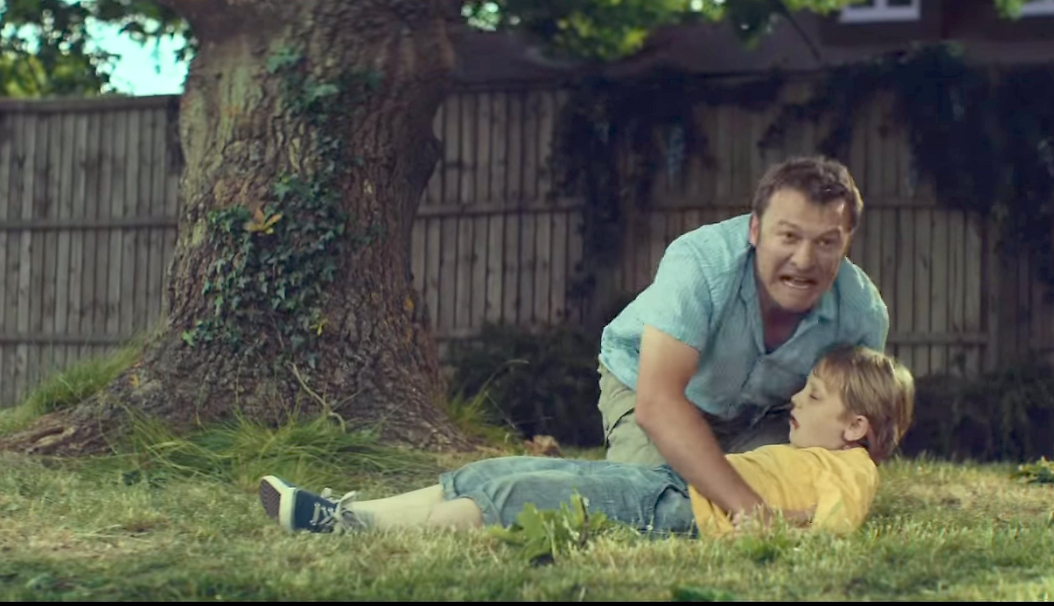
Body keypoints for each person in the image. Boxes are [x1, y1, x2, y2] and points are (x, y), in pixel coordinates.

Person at [258, 345, 914, 538]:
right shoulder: (812, 455)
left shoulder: (853, 471)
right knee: (497, 469)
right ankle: (346, 513)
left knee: (526, 495)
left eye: (815, 397)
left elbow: (833, 527)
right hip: (670, 486)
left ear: (857, 427)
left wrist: (772, 521)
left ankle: (357, 530)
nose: (796, 400)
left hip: (679, 510)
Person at [596, 155, 889, 526]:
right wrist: (753, 511)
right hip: (646, 385)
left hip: (762, 414)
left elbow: (855, 439)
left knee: (791, 487)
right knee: (659, 503)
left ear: (847, 243)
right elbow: (658, 403)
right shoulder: (699, 262)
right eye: (789, 236)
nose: (804, 260)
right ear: (755, 229)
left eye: (826, 242)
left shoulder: (863, 315)